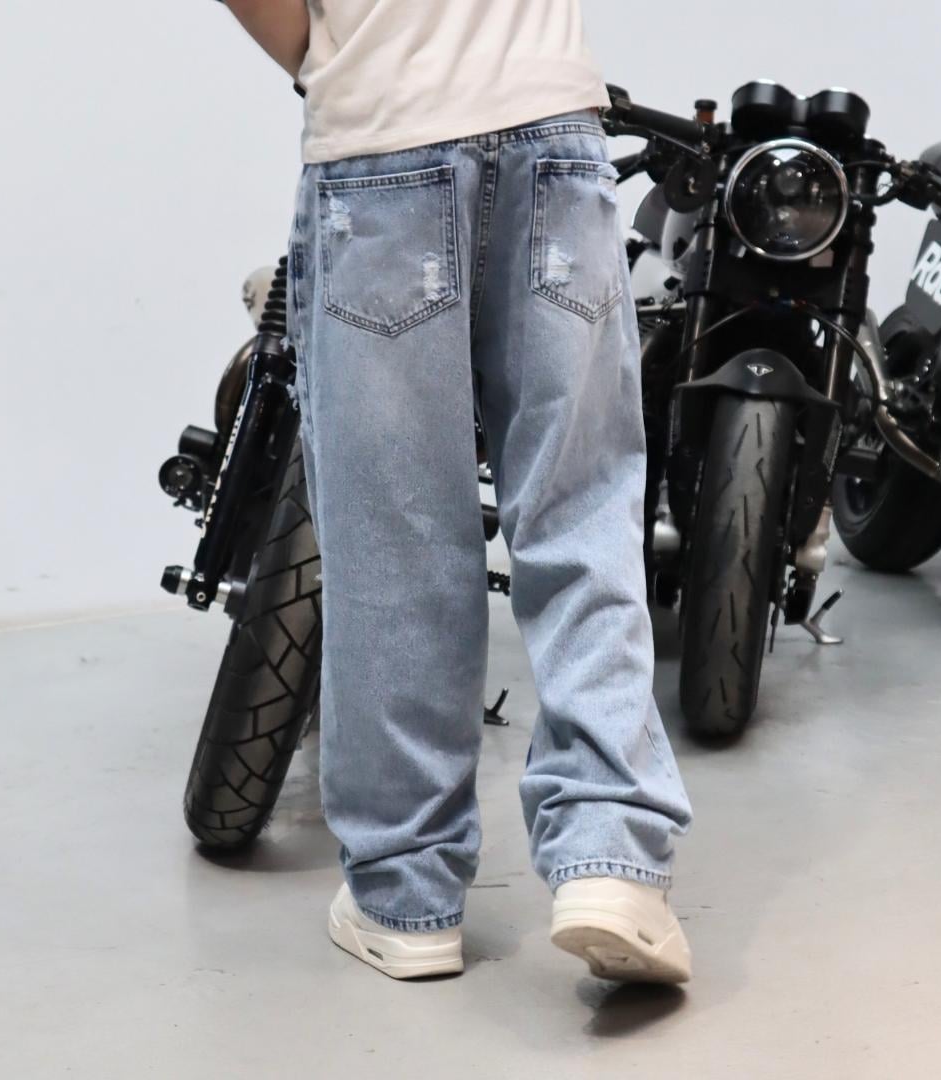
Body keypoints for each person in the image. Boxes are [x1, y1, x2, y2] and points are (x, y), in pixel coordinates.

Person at [222, 0, 694, 983]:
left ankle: (406, 897)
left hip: (384, 139)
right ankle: (613, 862)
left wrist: (336, 57)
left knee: (400, 547)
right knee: (581, 517)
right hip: (555, 130)